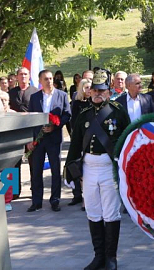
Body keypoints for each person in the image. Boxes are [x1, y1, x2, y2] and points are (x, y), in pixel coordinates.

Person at [64, 70, 130, 270]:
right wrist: (69, 169)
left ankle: (111, 257)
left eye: (101, 90)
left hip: (109, 167)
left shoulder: (118, 111)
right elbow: (75, 143)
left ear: (108, 91)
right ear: (90, 91)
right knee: (93, 211)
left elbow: (128, 139)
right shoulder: (84, 114)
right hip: (89, 168)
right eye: (94, 90)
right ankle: (98, 256)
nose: (97, 94)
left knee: (111, 212)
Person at [27, 69, 71, 213]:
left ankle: (55, 200)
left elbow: (67, 115)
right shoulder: (34, 97)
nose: (49, 81)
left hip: (54, 138)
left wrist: (55, 126)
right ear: (40, 81)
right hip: (38, 139)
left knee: (55, 170)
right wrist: (30, 140)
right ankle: (36, 202)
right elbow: (30, 119)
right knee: (36, 170)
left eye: (51, 78)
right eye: (46, 79)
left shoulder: (62, 95)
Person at [8, 67, 37, 196]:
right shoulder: (11, 93)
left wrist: (33, 137)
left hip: (32, 132)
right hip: (15, 133)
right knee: (14, 163)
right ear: (17, 77)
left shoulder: (35, 92)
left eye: (25, 74)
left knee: (34, 163)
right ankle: (15, 191)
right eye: (20, 74)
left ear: (29, 76)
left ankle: (35, 190)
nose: (23, 76)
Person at [68, 78, 94, 209]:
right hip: (81, 139)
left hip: (93, 140)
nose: (89, 90)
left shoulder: (95, 103)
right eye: (86, 87)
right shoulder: (77, 103)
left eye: (90, 87)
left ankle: (89, 198)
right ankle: (79, 195)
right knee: (79, 168)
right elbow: (73, 122)